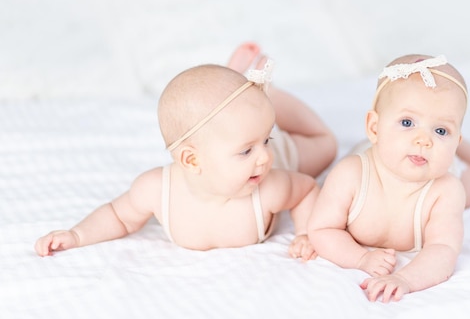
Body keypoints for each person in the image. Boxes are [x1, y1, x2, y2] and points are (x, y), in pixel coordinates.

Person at [35, 43, 337, 259]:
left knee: (326, 143)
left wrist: (305, 232)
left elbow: (307, 190)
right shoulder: (156, 189)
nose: (264, 157)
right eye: (246, 152)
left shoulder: (271, 179)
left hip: (276, 142)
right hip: (239, 129)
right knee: (237, 121)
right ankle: (240, 92)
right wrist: (77, 235)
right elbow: (118, 216)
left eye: (264, 144)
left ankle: (258, 94)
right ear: (191, 160)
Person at [308, 54, 470, 303]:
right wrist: (361, 259)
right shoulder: (350, 175)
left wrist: (405, 279)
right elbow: (322, 228)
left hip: (437, 167)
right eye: (407, 122)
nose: (424, 139)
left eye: (441, 130)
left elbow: (443, 249)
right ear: (374, 128)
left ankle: (464, 148)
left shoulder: (447, 189)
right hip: (376, 155)